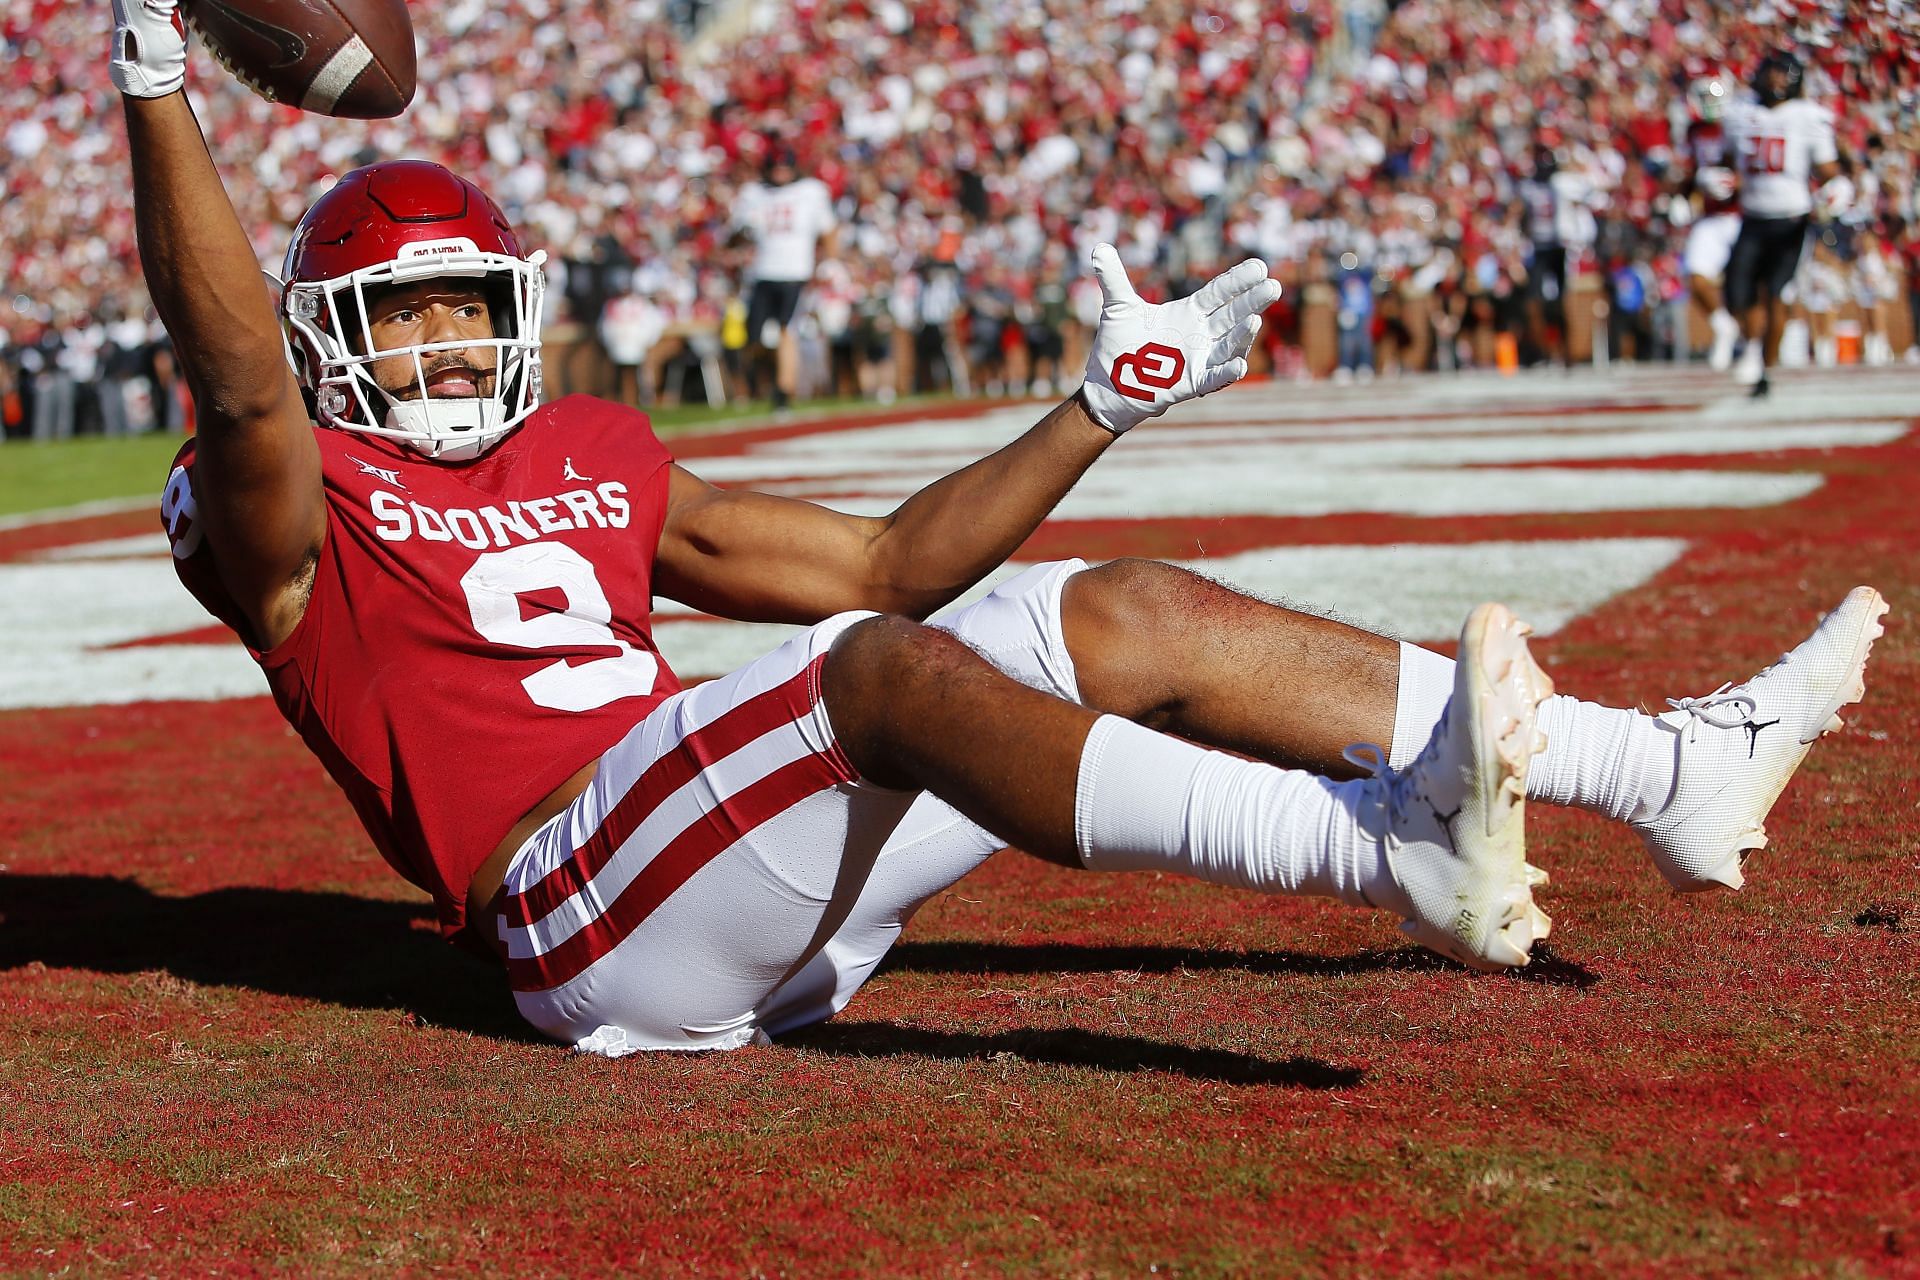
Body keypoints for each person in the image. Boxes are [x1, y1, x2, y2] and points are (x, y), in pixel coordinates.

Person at [114, 0, 1888, 1056]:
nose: (437, 343)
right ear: (325, 333)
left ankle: (1663, 768)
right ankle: (1380, 854)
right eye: (395, 313)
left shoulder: (590, 445)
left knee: (1102, 611)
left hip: (722, 860)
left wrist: (1097, 405)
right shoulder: (291, 510)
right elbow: (249, 403)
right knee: (867, 680)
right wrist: (155, 75)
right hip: (574, 918)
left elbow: (891, 566)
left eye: (460, 305)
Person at [1723, 50, 1848, 397]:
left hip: (1791, 220)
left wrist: (1837, 190)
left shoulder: (1809, 116)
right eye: (1772, 73)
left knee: (1776, 293)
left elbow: (1828, 171)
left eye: (1783, 75)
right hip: (1752, 216)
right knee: (1737, 292)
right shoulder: (1739, 112)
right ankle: (1750, 348)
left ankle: (1765, 367)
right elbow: (1725, 163)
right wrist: (1713, 179)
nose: (1777, 81)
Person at [731, 145, 837, 414]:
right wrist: (745, 230)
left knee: (786, 331)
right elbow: (735, 235)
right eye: (776, 167)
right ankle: (758, 385)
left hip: (795, 273)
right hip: (762, 272)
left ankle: (783, 391)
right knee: (753, 338)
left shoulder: (811, 191)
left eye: (785, 166)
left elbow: (829, 230)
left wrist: (828, 263)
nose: (780, 172)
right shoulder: (753, 193)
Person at [1677, 74, 1745, 370]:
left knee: (1746, 286)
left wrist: (1733, 182)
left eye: (1714, 96)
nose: (1709, 103)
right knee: (1694, 276)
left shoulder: (1740, 125)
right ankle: (1723, 326)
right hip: (1711, 216)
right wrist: (1684, 196)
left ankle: (1755, 346)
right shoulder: (1694, 131)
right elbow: (1691, 172)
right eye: (1704, 97)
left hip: (1743, 215)